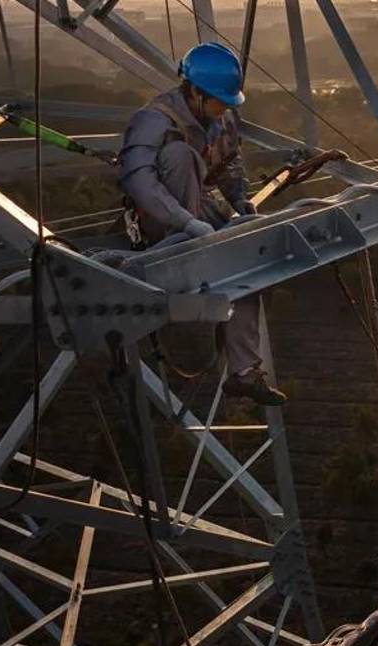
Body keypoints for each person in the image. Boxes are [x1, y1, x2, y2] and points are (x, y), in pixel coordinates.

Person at [118, 42, 285, 406]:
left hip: (203, 212)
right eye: (219, 101)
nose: (225, 108)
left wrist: (240, 201)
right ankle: (192, 257)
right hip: (161, 223)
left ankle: (244, 372)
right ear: (194, 91)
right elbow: (139, 181)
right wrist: (186, 223)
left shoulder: (222, 116)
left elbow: (230, 161)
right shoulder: (154, 121)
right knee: (181, 155)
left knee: (247, 251)